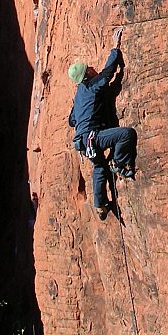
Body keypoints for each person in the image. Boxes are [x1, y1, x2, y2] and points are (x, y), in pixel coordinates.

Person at [68, 27, 137, 219]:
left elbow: (71, 120)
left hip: (83, 142)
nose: (92, 68)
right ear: (87, 75)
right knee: (126, 134)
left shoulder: (79, 95)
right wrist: (115, 49)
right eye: (89, 69)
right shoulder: (92, 86)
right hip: (94, 138)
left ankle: (99, 204)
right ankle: (119, 161)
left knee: (99, 167)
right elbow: (107, 75)